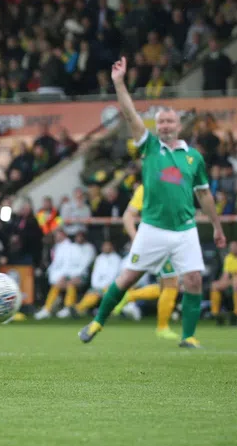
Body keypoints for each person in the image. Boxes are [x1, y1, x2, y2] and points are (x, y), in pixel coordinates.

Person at [79, 57, 226, 347]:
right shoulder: (149, 147)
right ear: (156, 127)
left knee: (194, 280)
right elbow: (131, 114)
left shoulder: (193, 157)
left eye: (170, 120)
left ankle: (189, 336)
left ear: (179, 125)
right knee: (127, 279)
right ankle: (97, 322)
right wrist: (119, 83)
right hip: (153, 228)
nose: (165, 125)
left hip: (184, 229)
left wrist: (218, 227)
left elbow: (204, 195)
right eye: (160, 122)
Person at [113, 184, 181, 339]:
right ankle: (162, 326)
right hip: (156, 242)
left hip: (160, 241)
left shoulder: (172, 186)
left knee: (168, 284)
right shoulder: (147, 188)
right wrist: (135, 237)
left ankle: (127, 299)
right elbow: (128, 215)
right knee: (171, 283)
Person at [57, 241, 122, 318]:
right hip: (97, 286)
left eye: (108, 246)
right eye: (104, 246)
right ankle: (78, 309)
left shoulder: (117, 259)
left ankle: (77, 309)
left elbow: (113, 275)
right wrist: (96, 285)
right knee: (91, 294)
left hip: (110, 286)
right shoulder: (99, 258)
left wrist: (102, 286)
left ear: (112, 247)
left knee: (97, 294)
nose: (106, 248)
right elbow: (95, 274)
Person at [210, 240, 237, 325]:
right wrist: (221, 282)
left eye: (235, 247)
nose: (233, 249)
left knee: (236, 282)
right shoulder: (228, 258)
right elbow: (225, 274)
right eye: (232, 247)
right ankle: (216, 314)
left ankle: (235, 314)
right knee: (214, 286)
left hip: (235, 280)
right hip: (232, 279)